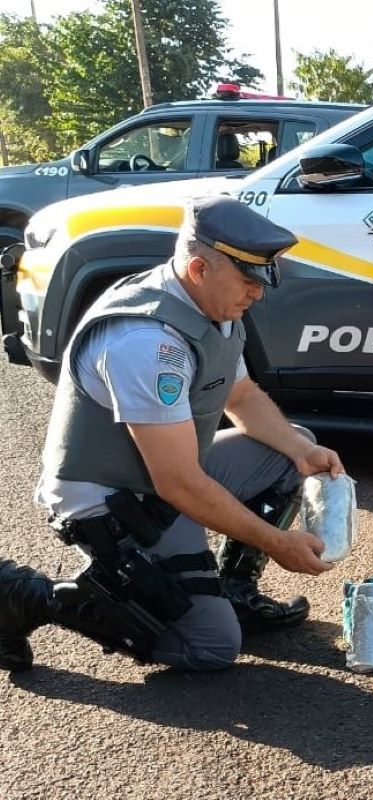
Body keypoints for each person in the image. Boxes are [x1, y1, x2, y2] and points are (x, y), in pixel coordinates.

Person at [0, 195, 343, 673]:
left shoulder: (211, 308)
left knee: (289, 449)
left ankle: (234, 591)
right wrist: (276, 541)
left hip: (162, 476)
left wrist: (303, 451)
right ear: (200, 269)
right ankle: (23, 596)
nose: (257, 293)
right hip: (111, 501)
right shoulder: (146, 343)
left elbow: (240, 396)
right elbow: (178, 484)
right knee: (211, 647)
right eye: (248, 280)